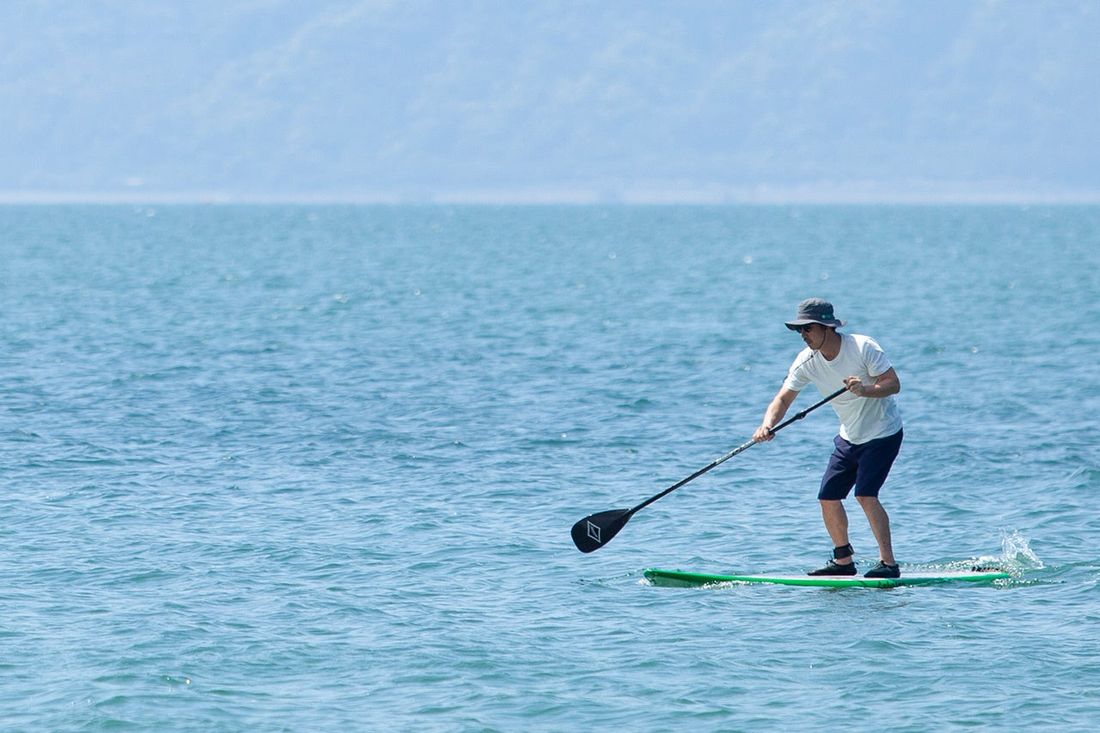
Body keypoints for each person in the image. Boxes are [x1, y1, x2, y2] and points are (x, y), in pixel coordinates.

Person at [753, 298, 904, 578]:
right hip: (849, 436)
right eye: (799, 331)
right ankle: (843, 561)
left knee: (865, 495)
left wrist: (866, 389)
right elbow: (783, 399)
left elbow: (893, 384)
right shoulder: (806, 361)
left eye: (807, 329)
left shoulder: (862, 347)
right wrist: (767, 424)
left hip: (883, 432)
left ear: (827, 327)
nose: (804, 336)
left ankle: (889, 564)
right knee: (828, 496)